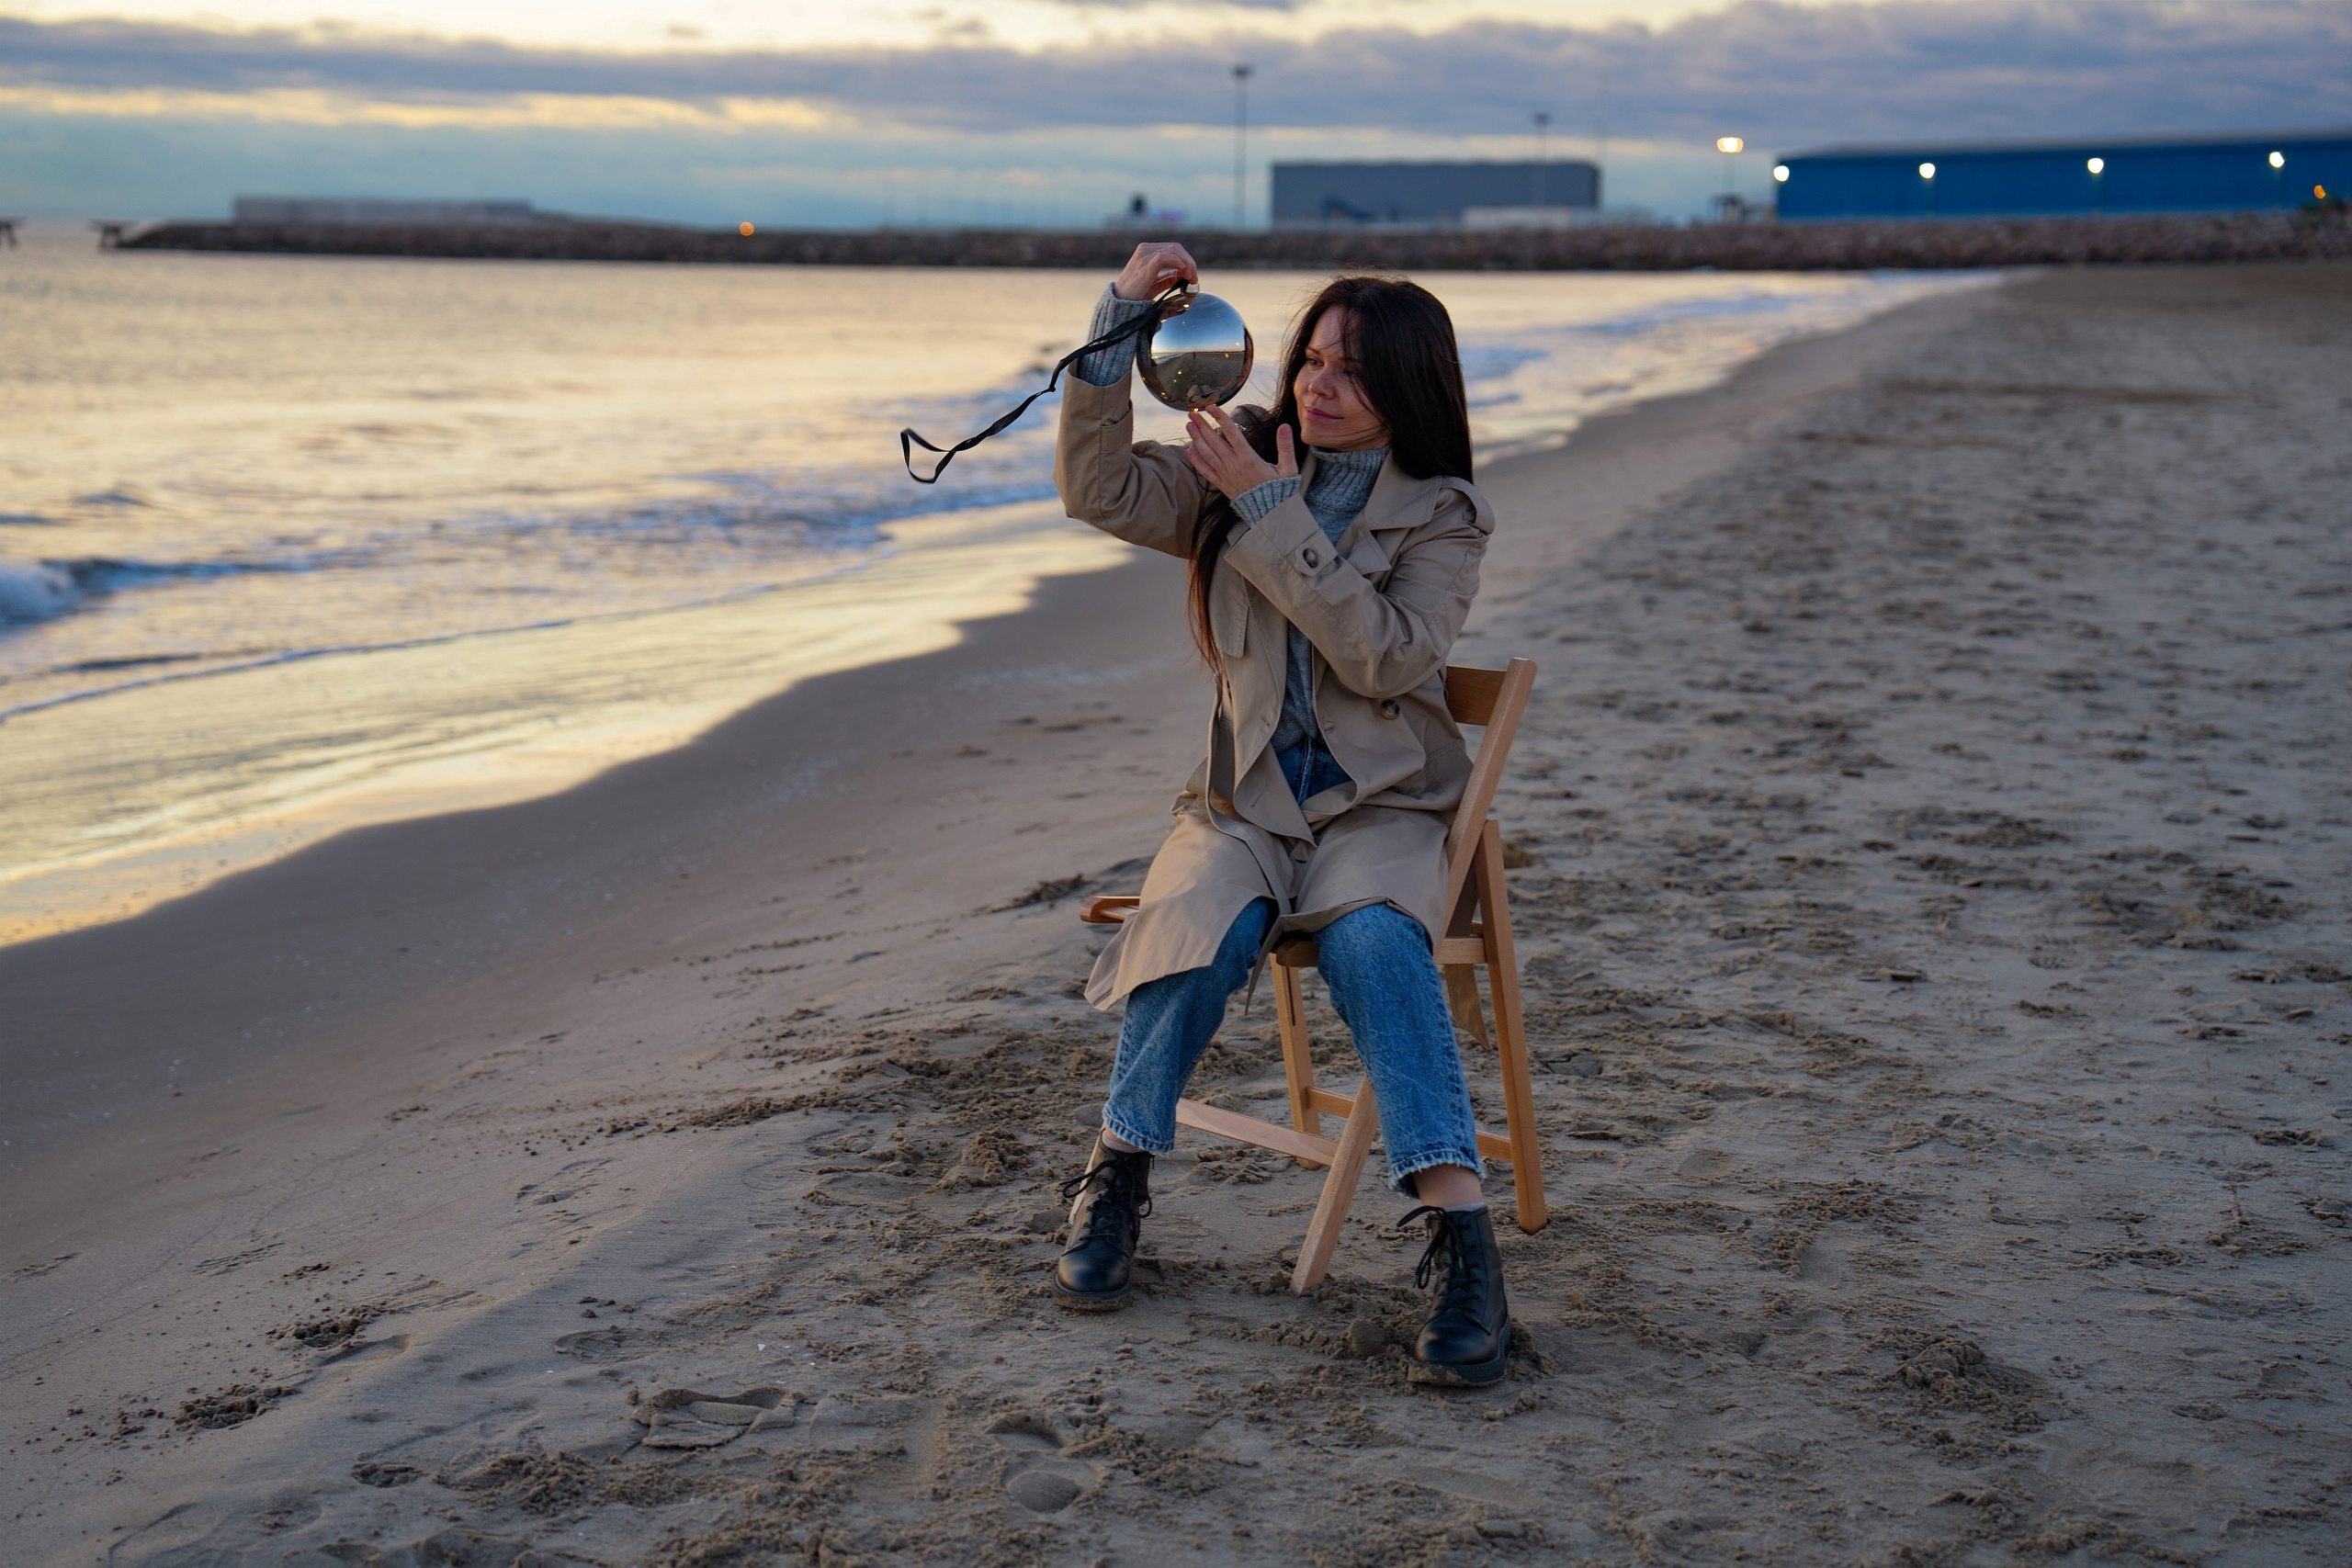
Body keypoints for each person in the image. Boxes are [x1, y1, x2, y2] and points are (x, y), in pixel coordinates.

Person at [1050, 242, 1510, 1387]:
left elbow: (1386, 654)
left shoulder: (1443, 512)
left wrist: (1268, 512)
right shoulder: (1235, 459)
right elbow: (1096, 489)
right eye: (1316, 357)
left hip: (1382, 811)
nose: (1320, 383)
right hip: (1244, 803)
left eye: (1355, 371)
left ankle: (1461, 1239)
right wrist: (1117, 321)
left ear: (1409, 388)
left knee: (1370, 941)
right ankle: (1116, 1172)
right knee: (1195, 932)